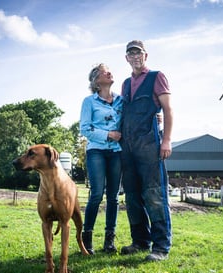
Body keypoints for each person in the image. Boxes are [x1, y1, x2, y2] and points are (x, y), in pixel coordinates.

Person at [119, 40, 174, 262]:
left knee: (154, 194)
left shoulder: (156, 76)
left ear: (145, 55)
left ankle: (161, 247)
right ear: (126, 58)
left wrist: (167, 140)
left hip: (150, 145)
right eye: (131, 53)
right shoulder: (124, 84)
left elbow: (168, 110)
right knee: (132, 196)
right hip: (128, 147)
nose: (135, 57)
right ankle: (140, 241)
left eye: (138, 53)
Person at [79, 63, 123, 254]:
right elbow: (85, 129)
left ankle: (109, 242)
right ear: (96, 81)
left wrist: (156, 117)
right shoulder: (89, 102)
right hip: (96, 151)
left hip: (117, 153)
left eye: (109, 70)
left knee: (113, 197)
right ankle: (86, 239)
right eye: (104, 71)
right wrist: (108, 135)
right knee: (97, 194)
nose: (109, 72)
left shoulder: (122, 101)